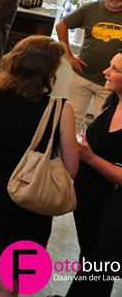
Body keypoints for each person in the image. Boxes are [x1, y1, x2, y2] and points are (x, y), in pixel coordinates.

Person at [0, 36, 78, 297]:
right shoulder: (61, 110)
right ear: (49, 71)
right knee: (9, 280)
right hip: (31, 201)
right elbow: (71, 169)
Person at [65, 51, 122, 296]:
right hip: (89, 202)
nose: (105, 72)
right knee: (89, 259)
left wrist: (91, 158)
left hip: (110, 208)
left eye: (115, 69)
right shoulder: (114, 102)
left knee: (99, 269)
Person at [56, 0, 122, 123]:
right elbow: (61, 26)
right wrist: (69, 56)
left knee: (103, 124)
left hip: (112, 82)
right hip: (83, 74)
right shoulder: (90, 8)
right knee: (71, 119)